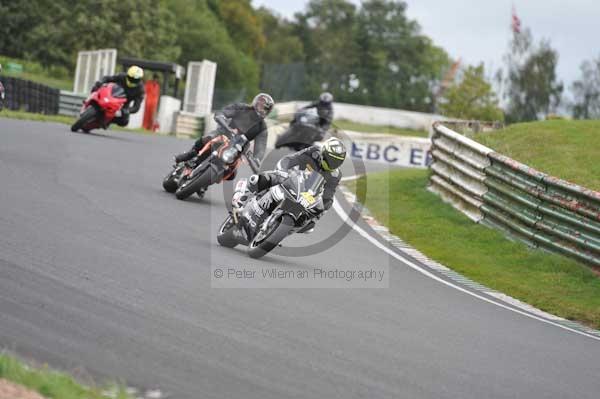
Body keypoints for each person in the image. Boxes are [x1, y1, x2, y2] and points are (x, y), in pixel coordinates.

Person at [174, 93, 274, 167]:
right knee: (209, 138)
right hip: (225, 131)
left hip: (239, 147)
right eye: (260, 105)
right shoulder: (242, 108)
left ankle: (208, 179)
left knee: (232, 171)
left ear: (267, 112)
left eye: (265, 108)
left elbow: (260, 147)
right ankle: (191, 153)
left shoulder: (262, 128)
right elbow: (224, 112)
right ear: (255, 102)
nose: (261, 109)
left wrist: (256, 159)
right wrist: (221, 117)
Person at [247, 137, 346, 212]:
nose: (332, 164)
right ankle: (243, 194)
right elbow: (290, 159)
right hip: (293, 178)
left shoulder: (335, 175)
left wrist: (324, 205)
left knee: (311, 222)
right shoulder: (313, 152)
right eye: (331, 159)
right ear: (323, 152)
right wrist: (283, 171)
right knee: (270, 178)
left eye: (337, 162)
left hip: (307, 196)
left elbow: (328, 195)